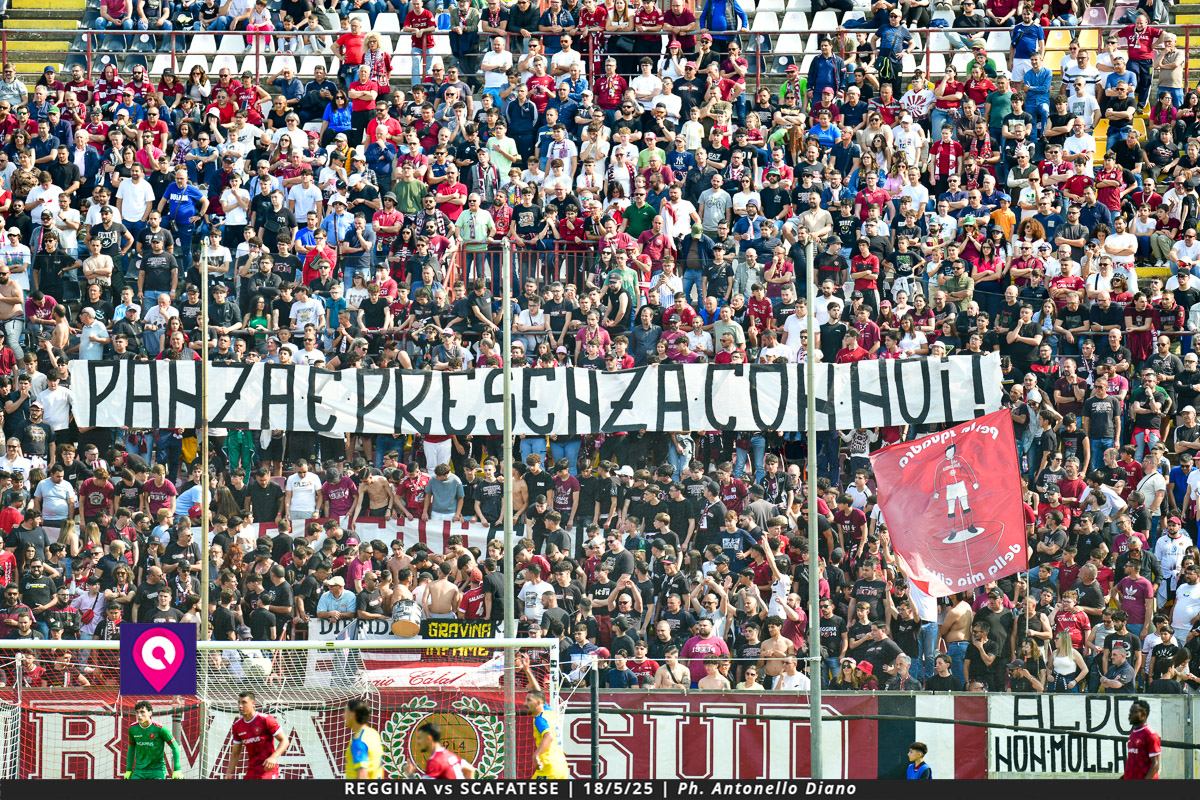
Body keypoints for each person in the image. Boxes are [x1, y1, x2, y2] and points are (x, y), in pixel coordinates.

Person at [226, 690, 288, 780]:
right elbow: (235, 753)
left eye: (244, 703)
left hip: (268, 770)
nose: (240, 706)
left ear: (253, 703)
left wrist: (273, 758)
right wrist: (229, 772)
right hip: (252, 771)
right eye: (239, 702)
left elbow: (285, 740)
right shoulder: (237, 726)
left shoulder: (266, 720)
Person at [125, 700, 183, 779]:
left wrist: (177, 769)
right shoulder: (132, 729)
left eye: (142, 712)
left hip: (157, 771)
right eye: (137, 712)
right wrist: (128, 770)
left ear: (150, 713)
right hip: (139, 771)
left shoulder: (160, 728)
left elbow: (175, 746)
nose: (139, 715)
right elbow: (131, 748)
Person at [405, 722, 477, 779]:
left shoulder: (435, 762)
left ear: (429, 739)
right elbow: (470, 770)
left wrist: (410, 775)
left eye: (420, 738)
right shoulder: (449, 755)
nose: (417, 741)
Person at [525, 689, 568, 779]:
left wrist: (535, 755)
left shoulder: (539, 719)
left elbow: (549, 736)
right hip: (562, 767)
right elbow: (538, 692)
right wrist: (529, 674)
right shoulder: (550, 713)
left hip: (548, 768)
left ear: (538, 703)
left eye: (529, 700)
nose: (525, 704)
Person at [344, 698, 383, 779]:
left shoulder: (359, 741)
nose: (343, 715)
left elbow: (362, 773)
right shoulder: (373, 734)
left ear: (352, 715)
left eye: (346, 712)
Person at [1124, 698, 1160, 779]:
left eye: (1134, 712)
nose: (1130, 714)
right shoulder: (1134, 733)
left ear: (1143, 714)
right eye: (1130, 711)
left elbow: (1156, 764)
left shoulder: (1150, 734)